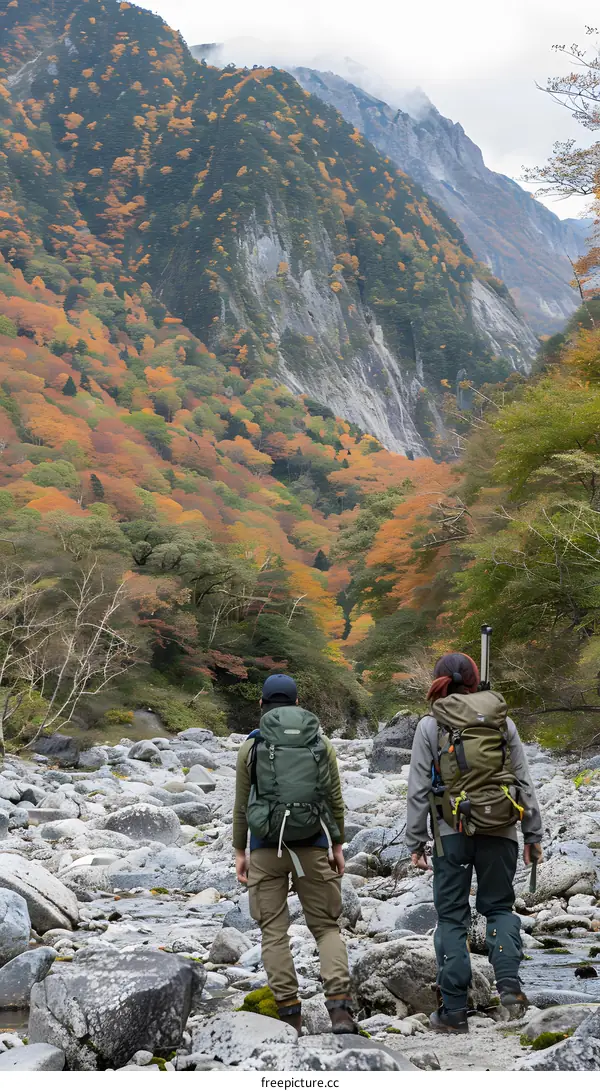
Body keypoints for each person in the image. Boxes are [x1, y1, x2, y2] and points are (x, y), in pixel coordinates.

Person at [406, 652, 543, 1034]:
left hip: (451, 832)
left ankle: (453, 1012)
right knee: (499, 907)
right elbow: (523, 781)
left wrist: (415, 841)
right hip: (502, 826)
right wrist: (533, 834)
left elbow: (418, 789)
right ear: (475, 680)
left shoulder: (430, 725)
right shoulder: (502, 720)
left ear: (438, 681)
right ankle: (511, 991)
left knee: (452, 917)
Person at [233, 673, 355, 1034]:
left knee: (273, 931)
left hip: (267, 848)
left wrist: (241, 851)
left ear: (261, 705)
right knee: (326, 928)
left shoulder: (251, 747)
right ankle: (340, 1012)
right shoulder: (321, 744)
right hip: (313, 844)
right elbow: (334, 800)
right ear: (298, 704)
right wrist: (337, 845)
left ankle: (290, 1016)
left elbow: (242, 807)